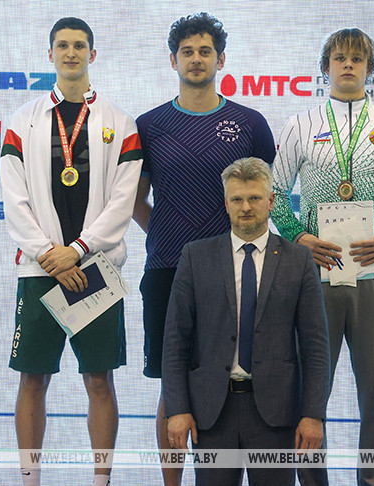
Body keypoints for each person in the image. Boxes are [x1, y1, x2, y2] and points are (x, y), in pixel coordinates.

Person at [270, 28, 374, 486]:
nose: (347, 65)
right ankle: (310, 480)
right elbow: (276, 194)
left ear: (369, 68)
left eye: (357, 59)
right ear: (325, 67)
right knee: (308, 391)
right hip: (314, 276)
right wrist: (299, 237)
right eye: (338, 57)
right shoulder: (300, 124)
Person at [132, 13, 276, 485]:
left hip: (237, 272)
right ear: (173, 59)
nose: (196, 59)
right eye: (187, 52)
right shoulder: (149, 125)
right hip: (168, 269)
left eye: (205, 51)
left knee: (234, 383)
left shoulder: (249, 122)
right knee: (173, 391)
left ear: (221, 59)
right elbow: (134, 199)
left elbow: (265, 196)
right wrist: (172, 234)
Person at [0, 17, 142, 486]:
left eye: (80, 45)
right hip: (39, 271)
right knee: (32, 380)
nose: (71, 53)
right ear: (50, 55)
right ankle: (30, 479)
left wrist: (77, 250)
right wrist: (48, 253)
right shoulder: (23, 120)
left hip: (95, 269)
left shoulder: (119, 122)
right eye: (62, 45)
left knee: (99, 380)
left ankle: (100, 480)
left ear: (93, 55)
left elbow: (124, 201)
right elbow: (14, 199)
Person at [163, 157, 330, 486]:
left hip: (277, 415)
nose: (246, 207)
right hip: (212, 413)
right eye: (237, 199)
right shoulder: (196, 256)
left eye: (254, 198)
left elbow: (316, 346)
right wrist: (176, 409)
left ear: (270, 201)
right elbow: (175, 341)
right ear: (225, 203)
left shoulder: (299, 260)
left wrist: (313, 414)